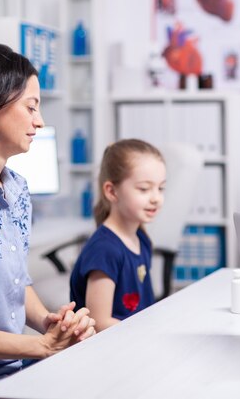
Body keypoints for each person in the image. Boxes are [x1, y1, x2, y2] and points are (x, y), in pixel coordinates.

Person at [0, 43, 96, 398]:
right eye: (30, 107)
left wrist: (48, 324)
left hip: (17, 369)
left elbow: (17, 283)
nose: (40, 121)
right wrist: (41, 347)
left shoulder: (17, 189)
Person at [70, 139, 167, 332]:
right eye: (144, 189)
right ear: (112, 191)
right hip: (110, 349)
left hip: (134, 341)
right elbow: (98, 322)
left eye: (161, 188)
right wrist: (150, 331)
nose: (155, 197)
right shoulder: (105, 250)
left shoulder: (141, 237)